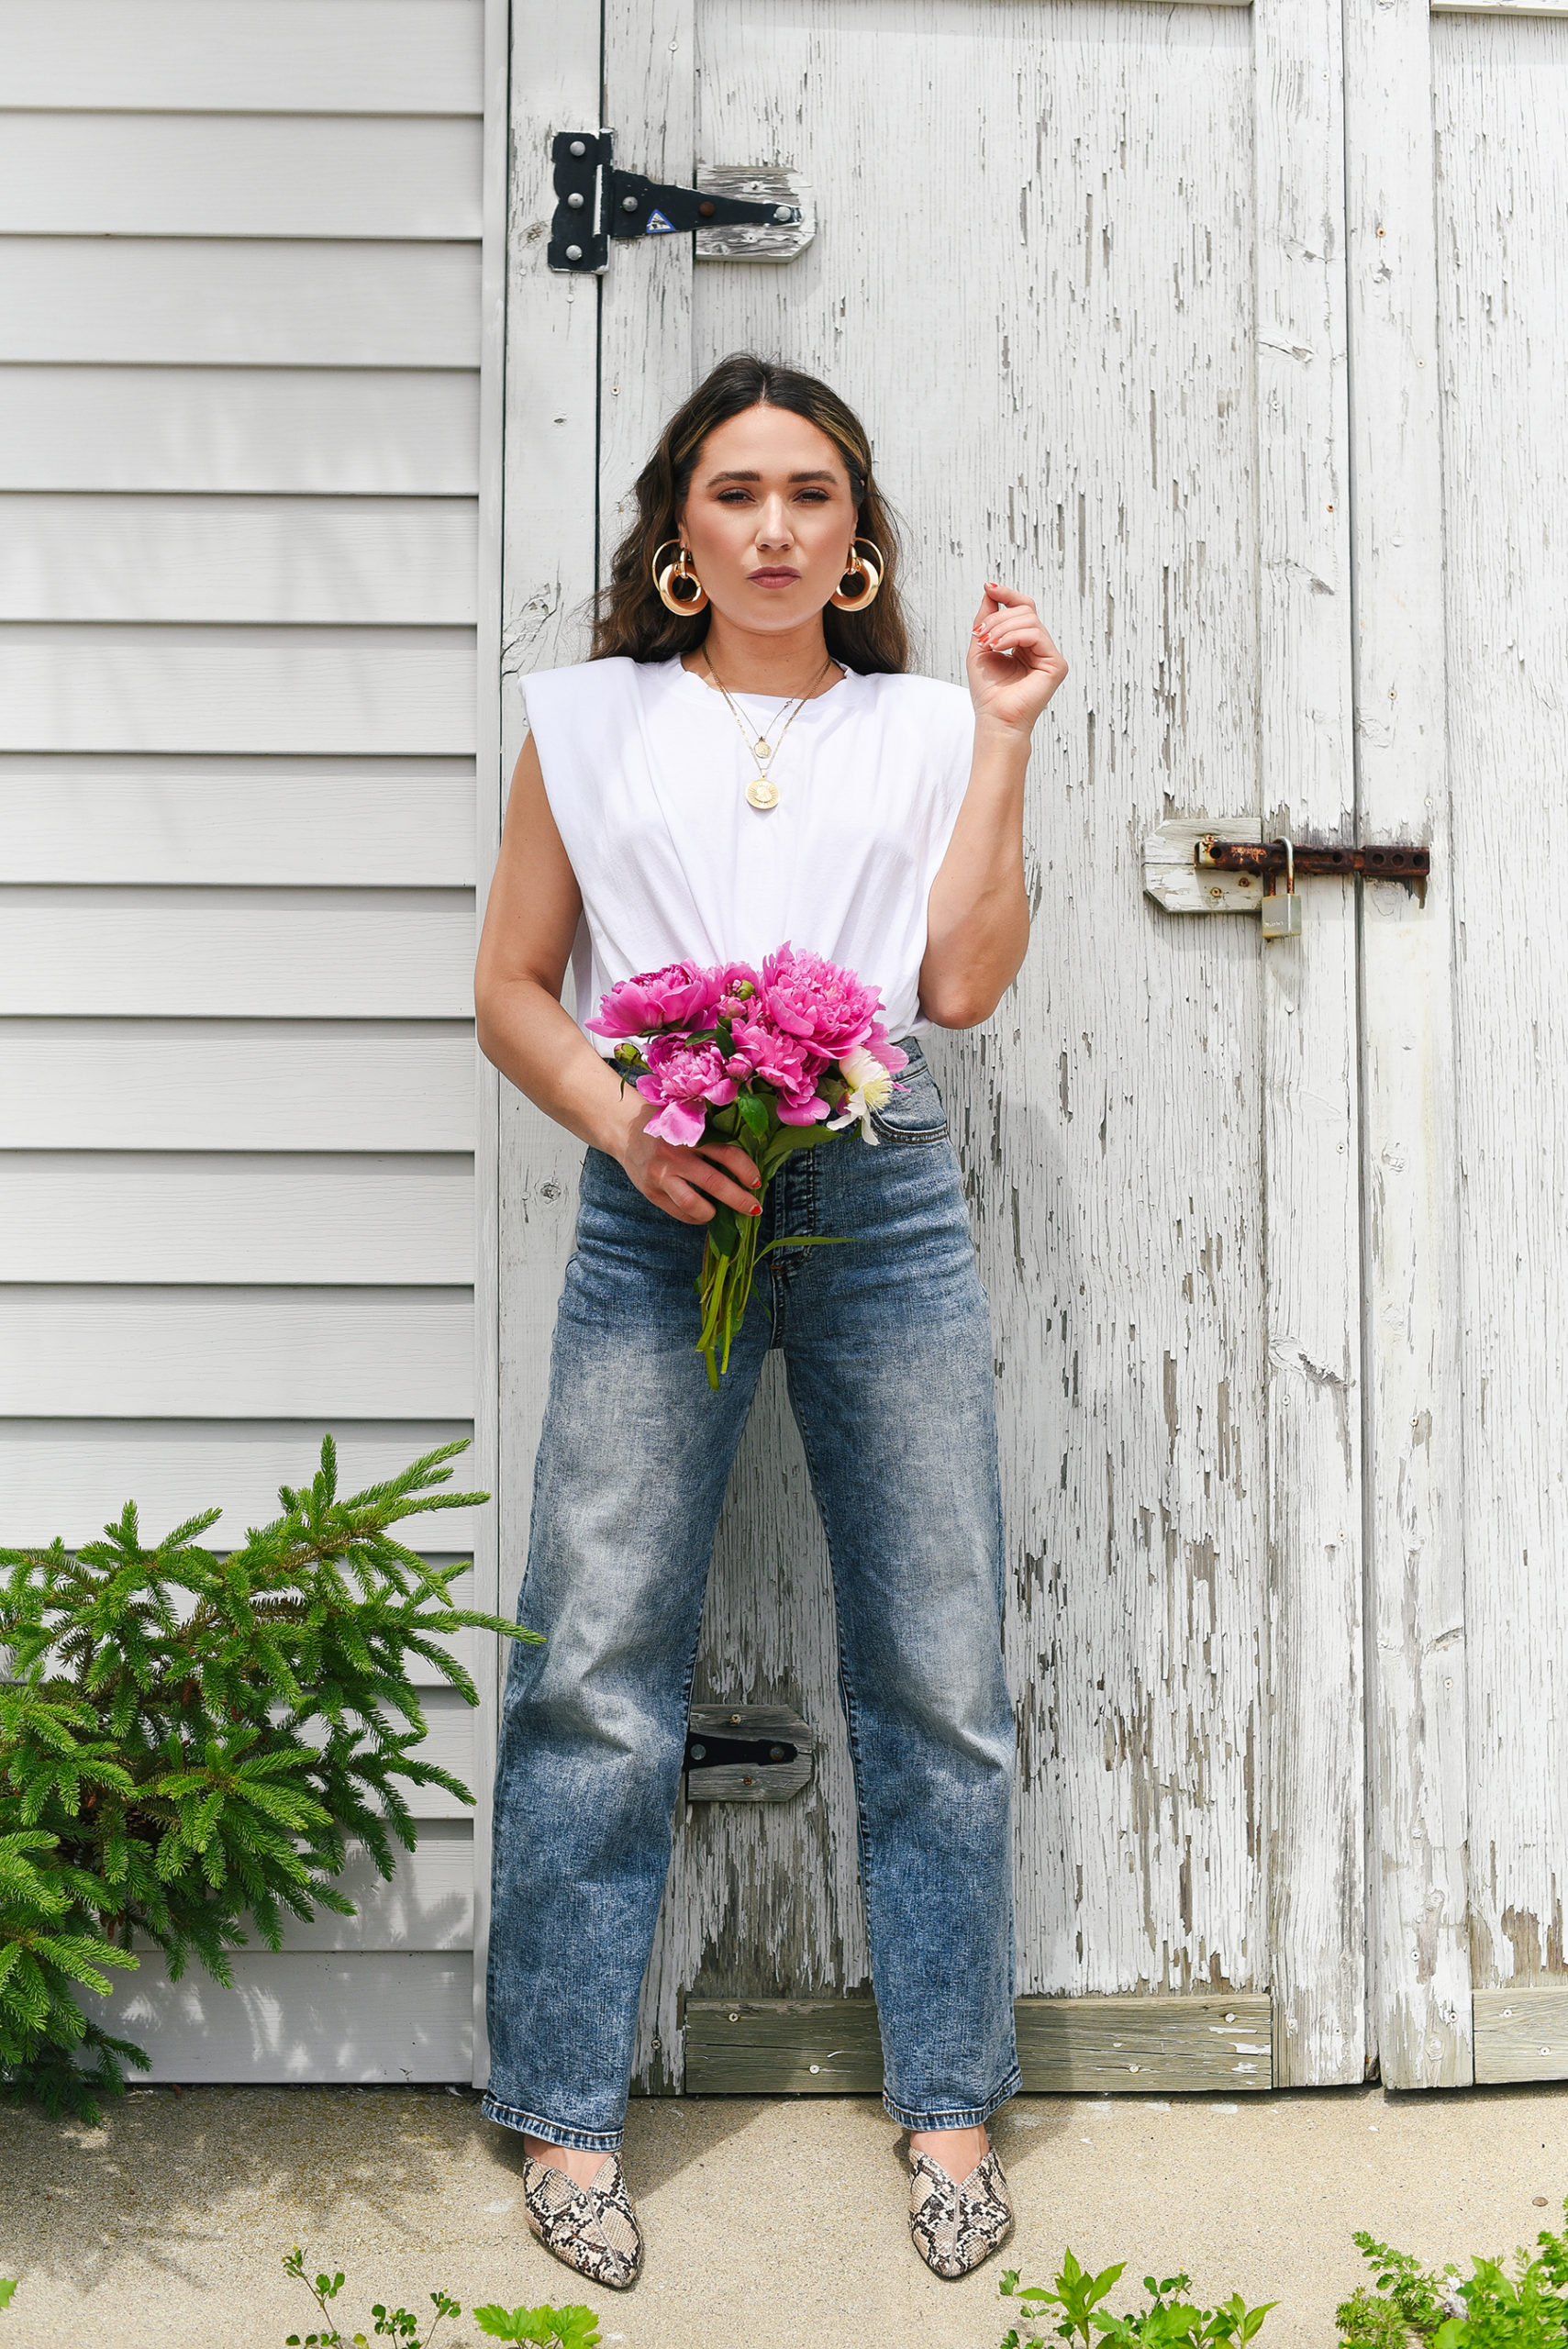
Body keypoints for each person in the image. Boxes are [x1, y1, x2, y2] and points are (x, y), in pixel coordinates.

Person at [473, 351, 1067, 2290]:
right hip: (663, 1207)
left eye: (814, 494)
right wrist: (629, 1125)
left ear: (859, 532)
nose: (777, 527)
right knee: (596, 1664)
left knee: (940, 1667)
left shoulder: (920, 725)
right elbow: (513, 984)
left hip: (877, 1195)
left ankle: (954, 2109)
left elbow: (960, 986)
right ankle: (564, 2113)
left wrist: (1004, 735)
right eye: (738, 493)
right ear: (677, 532)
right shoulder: (586, 722)